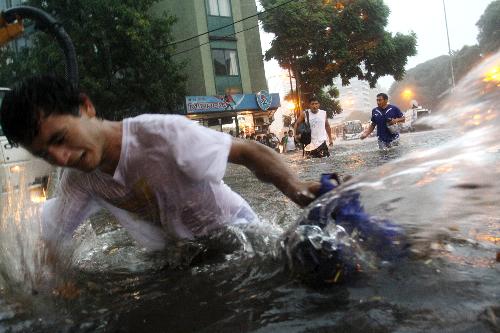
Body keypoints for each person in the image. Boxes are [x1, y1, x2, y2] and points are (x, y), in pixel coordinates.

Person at [0, 75, 320, 259]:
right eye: (44, 154)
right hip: (180, 256)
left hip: (241, 235)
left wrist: (297, 187)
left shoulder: (160, 134)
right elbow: (51, 243)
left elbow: (248, 151)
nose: (61, 158)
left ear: (85, 107)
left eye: (61, 138)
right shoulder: (78, 182)